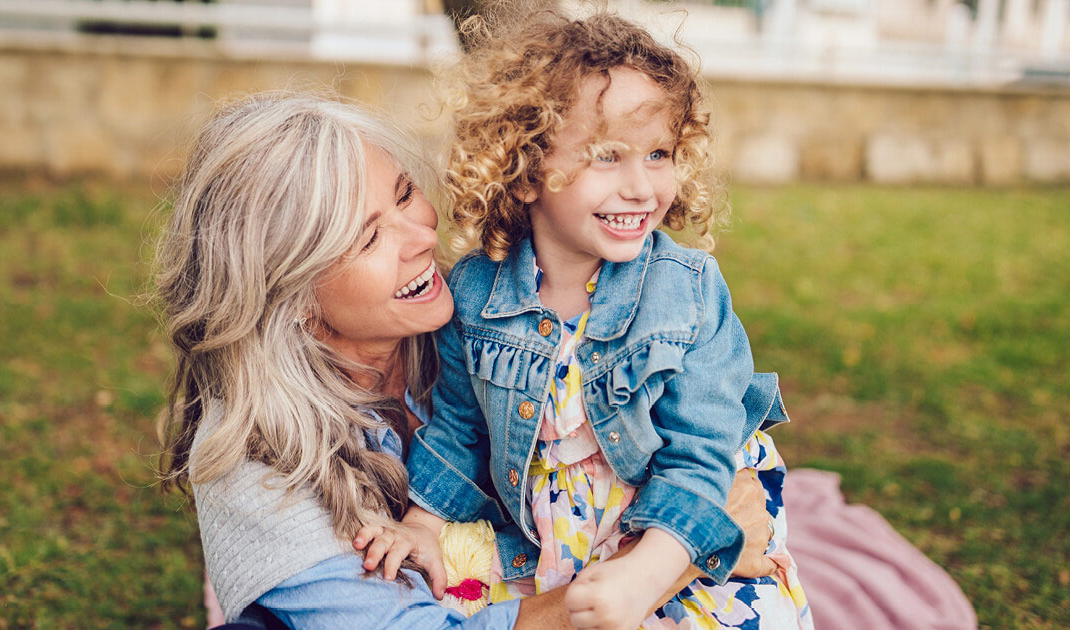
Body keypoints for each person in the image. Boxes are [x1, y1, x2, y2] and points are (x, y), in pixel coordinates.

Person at [155, 91, 781, 629]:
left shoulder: (484, 316)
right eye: (369, 236)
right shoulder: (253, 461)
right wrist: (679, 555)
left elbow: (690, 425)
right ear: (285, 293)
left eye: (405, 195)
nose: (423, 236)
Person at [360, 12, 812, 630]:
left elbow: (702, 453)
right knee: (433, 600)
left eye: (659, 153)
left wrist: (647, 572)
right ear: (525, 170)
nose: (641, 186)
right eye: (607, 157)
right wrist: (423, 523)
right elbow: (461, 429)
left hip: (674, 528)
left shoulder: (687, 292)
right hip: (548, 536)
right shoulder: (475, 292)